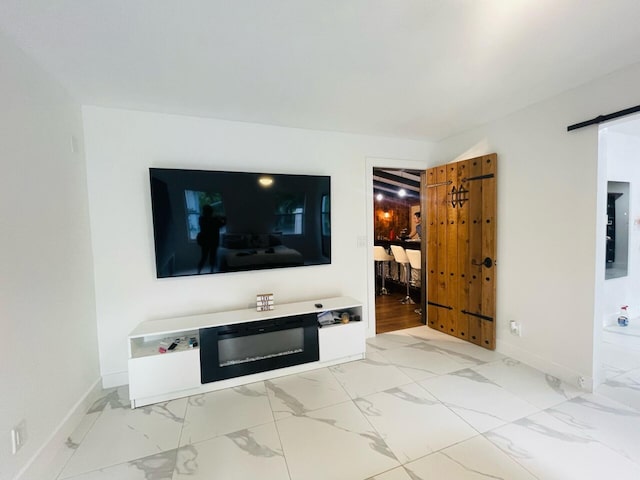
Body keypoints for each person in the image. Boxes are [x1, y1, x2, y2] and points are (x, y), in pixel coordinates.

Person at [197, 205, 227, 273]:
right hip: (210, 241)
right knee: (208, 257)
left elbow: (223, 223)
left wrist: (221, 218)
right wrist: (221, 218)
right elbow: (223, 223)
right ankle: (207, 271)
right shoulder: (208, 219)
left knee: (207, 257)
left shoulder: (203, 219)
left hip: (209, 241)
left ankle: (205, 271)